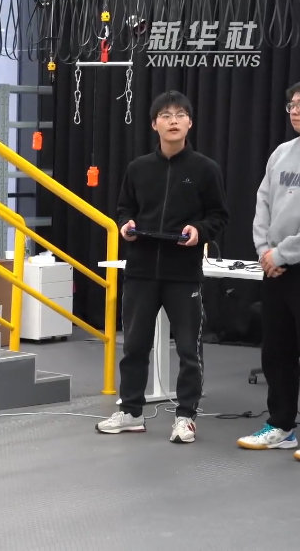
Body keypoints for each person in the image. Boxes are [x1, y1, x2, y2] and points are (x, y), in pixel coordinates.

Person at [96, 90, 229, 443]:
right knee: (134, 346)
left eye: (180, 114)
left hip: (183, 273)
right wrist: (125, 224)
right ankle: (131, 411)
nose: (173, 121)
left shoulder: (205, 169)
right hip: (141, 270)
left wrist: (198, 231)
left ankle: (185, 417)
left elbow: (219, 216)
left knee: (188, 349)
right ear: (154, 124)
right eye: (166, 115)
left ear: (190, 123)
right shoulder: (138, 168)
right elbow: (124, 208)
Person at [239, 76, 300, 462]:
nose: (294, 111)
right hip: (274, 268)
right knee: (277, 351)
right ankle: (281, 426)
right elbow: (263, 203)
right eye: (291, 105)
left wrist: (284, 253)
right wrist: (265, 251)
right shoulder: (281, 153)